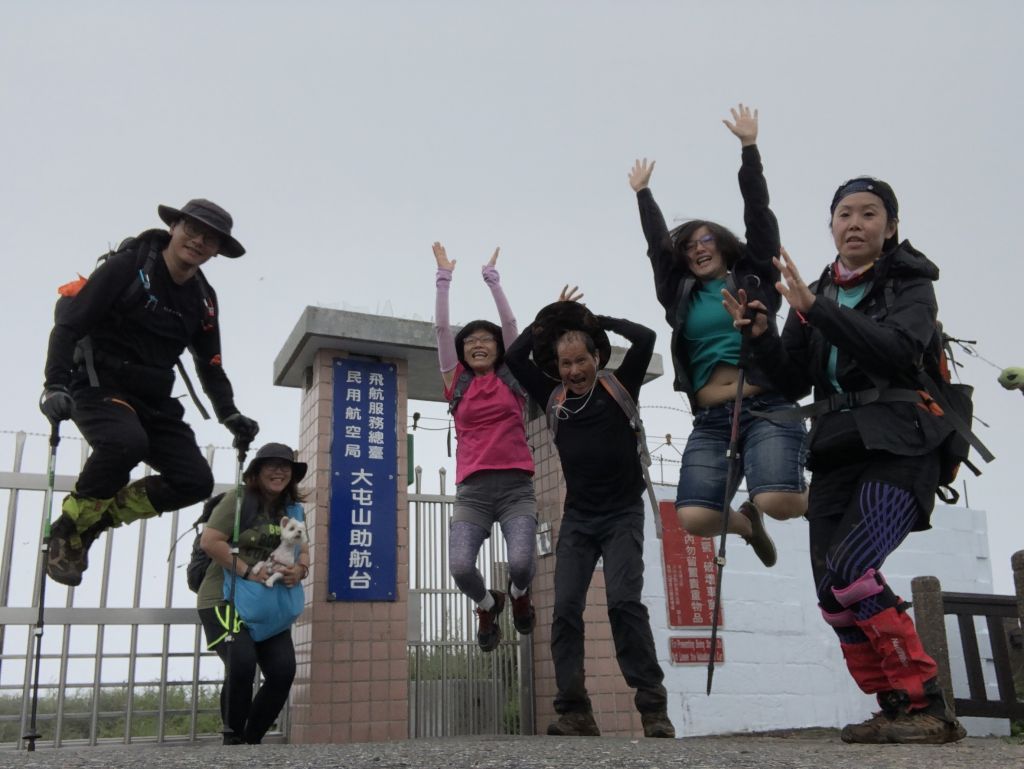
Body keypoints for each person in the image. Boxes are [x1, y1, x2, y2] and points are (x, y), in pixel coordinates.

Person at [722, 177, 967, 744]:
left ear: (891, 227)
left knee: (852, 569)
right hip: (836, 450)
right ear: (830, 225)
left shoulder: (912, 285)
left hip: (903, 444)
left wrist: (816, 312)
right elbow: (790, 378)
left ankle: (926, 703)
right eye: (844, 214)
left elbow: (899, 351)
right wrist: (759, 335)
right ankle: (894, 706)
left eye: (869, 214)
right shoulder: (815, 293)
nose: (855, 223)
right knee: (831, 594)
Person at [38, 199, 260, 586]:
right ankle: (68, 530)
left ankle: (97, 520)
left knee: (194, 481)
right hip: (98, 383)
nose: (198, 242)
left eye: (210, 239)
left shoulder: (203, 300)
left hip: (153, 398)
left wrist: (229, 414)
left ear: (217, 251)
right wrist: (54, 384)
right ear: (174, 226)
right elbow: (69, 326)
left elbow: (210, 364)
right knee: (126, 443)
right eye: (192, 229)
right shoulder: (128, 266)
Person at [627, 104, 807, 569]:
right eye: (690, 246)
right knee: (695, 517)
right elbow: (655, 248)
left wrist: (750, 150)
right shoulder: (679, 295)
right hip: (711, 417)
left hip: (765, 406)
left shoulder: (755, 280)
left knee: (779, 501)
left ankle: (832, 495)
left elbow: (760, 219)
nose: (698, 249)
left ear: (724, 248)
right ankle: (747, 525)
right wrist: (644, 195)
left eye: (707, 241)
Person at [505, 291, 675, 739]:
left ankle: (653, 708)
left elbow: (645, 337)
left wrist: (595, 318)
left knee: (623, 603)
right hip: (579, 519)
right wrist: (548, 320)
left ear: (596, 356)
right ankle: (575, 711)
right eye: (566, 364)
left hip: (622, 515)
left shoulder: (620, 385)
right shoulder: (553, 397)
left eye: (582, 360)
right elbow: (515, 356)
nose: (575, 370)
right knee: (564, 610)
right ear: (557, 368)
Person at [432, 242, 537, 651]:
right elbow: (441, 330)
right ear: (462, 350)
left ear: (497, 348)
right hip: (473, 493)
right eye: (471, 340)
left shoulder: (513, 377)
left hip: (516, 489)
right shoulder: (455, 382)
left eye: (486, 340)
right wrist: (444, 278)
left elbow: (511, 322)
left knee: (523, 563)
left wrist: (492, 280)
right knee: (460, 566)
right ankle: (488, 603)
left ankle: (518, 594)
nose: (479, 343)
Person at [197, 442, 310, 745]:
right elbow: (210, 541)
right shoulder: (238, 501)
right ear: (256, 472)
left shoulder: (293, 510)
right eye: (270, 465)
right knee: (242, 663)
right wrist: (249, 571)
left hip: (268, 604)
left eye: (285, 466)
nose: (279, 471)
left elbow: (303, 553)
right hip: (224, 599)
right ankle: (233, 739)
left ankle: (252, 741)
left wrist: (299, 571)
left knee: (283, 671)